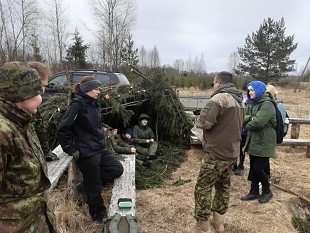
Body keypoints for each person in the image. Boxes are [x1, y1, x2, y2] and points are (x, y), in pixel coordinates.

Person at [57, 76, 124, 223]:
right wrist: (70, 149)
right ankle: (98, 215)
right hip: (86, 151)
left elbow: (94, 126)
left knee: (117, 169)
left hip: (98, 147)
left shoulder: (94, 104)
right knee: (95, 187)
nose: (99, 91)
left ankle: (84, 185)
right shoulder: (77, 105)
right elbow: (63, 129)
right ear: (87, 90)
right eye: (96, 89)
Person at [0, 61, 56, 232]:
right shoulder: (4, 132)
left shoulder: (23, 122)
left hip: (35, 222)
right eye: (38, 91)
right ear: (21, 95)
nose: (42, 97)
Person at [194, 71, 244, 232]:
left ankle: (202, 225)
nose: (213, 85)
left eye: (214, 83)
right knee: (223, 187)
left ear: (218, 83)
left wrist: (197, 119)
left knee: (203, 188)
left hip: (216, 153)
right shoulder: (240, 101)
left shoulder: (219, 98)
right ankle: (219, 222)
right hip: (232, 152)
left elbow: (205, 123)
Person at [241, 80, 276, 204]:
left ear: (259, 90)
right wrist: (251, 119)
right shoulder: (253, 103)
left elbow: (258, 122)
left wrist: (249, 122)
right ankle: (254, 192)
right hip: (254, 141)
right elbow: (243, 117)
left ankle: (267, 191)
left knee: (258, 169)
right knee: (253, 169)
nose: (250, 92)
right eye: (248, 90)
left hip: (265, 142)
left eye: (252, 90)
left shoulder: (268, 104)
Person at [28, 61, 59, 161]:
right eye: (41, 86)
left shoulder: (31, 109)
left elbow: (39, 128)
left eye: (45, 87)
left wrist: (46, 152)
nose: (43, 92)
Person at [233, 94, 248, 176]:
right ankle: (234, 165)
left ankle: (241, 165)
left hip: (244, 132)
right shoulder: (236, 105)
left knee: (242, 150)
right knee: (235, 148)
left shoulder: (249, 105)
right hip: (236, 131)